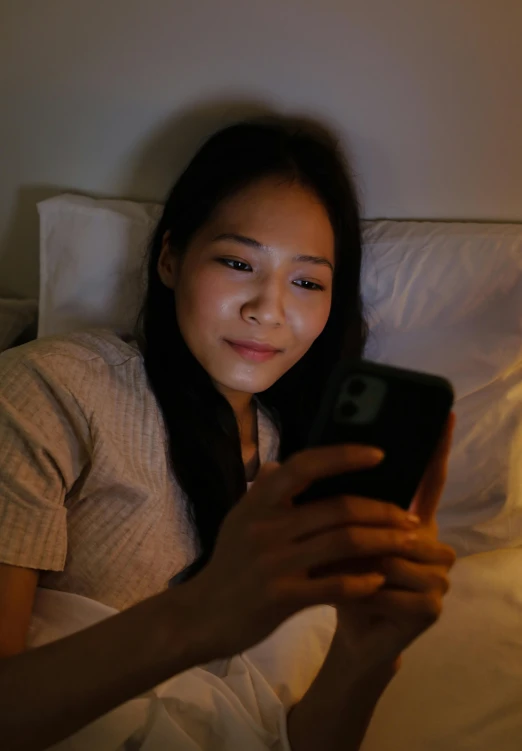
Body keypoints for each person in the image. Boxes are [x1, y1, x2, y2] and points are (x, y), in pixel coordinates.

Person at [0, 116, 456, 751]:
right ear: (169, 257)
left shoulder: (294, 463)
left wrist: (367, 657)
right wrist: (200, 614)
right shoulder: (52, 392)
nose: (267, 308)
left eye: (306, 281)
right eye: (239, 261)